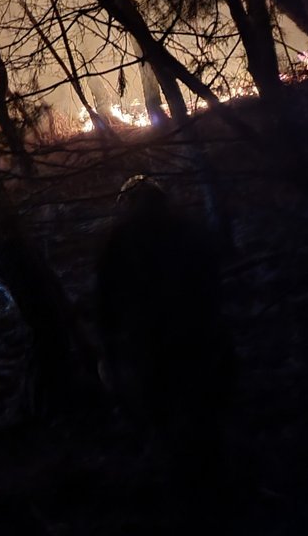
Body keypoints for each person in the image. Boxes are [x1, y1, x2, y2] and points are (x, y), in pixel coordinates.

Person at [96, 175, 235, 514]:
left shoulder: (119, 239)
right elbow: (213, 280)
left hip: (151, 343)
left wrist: (110, 346)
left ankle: (185, 487)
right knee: (202, 411)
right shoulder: (189, 229)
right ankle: (214, 483)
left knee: (164, 415)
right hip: (195, 336)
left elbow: (105, 299)